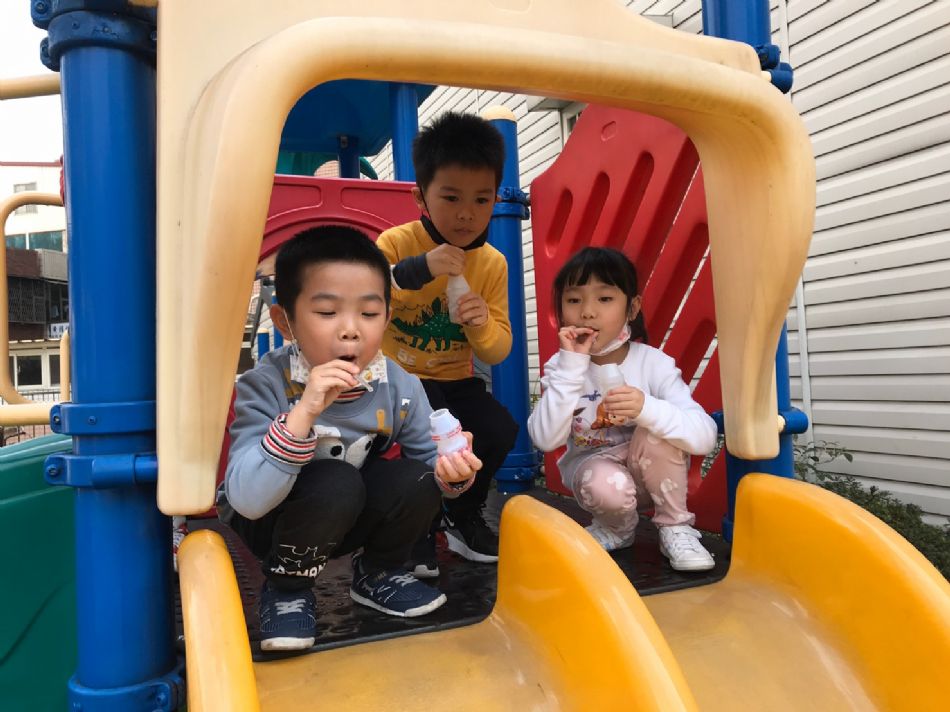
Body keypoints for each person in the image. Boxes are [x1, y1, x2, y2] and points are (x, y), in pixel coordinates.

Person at [220, 225, 482, 652]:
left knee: (419, 476)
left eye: (369, 313)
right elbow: (247, 500)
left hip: (343, 514)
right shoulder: (265, 383)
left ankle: (378, 572)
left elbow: (433, 469)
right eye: (327, 312)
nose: (351, 330)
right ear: (285, 321)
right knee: (335, 481)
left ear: (387, 319)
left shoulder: (397, 384)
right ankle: (287, 589)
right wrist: (304, 413)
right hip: (269, 523)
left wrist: (454, 472)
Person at [375, 112, 518, 574]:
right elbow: (366, 297)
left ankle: (462, 514)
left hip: (454, 378)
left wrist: (481, 324)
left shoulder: (492, 264)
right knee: (430, 436)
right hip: (396, 378)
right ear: (421, 197)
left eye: (482, 199)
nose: (466, 214)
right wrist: (422, 268)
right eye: (451, 197)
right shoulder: (397, 243)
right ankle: (417, 527)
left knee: (498, 428)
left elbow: (497, 350)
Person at [527, 247, 717, 572]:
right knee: (604, 483)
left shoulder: (653, 363)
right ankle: (616, 529)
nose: (587, 312)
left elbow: (704, 437)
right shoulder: (562, 367)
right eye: (573, 300)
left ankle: (675, 527)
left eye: (604, 299)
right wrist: (572, 367)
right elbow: (545, 439)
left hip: (657, 479)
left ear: (632, 308)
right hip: (599, 480)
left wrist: (646, 408)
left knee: (656, 433)